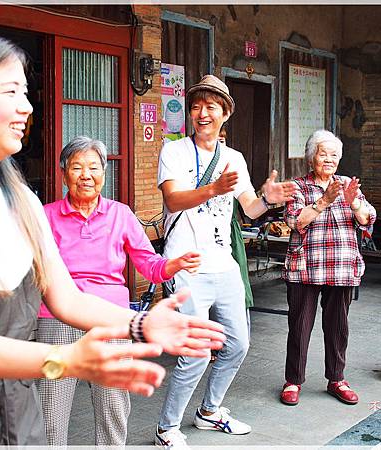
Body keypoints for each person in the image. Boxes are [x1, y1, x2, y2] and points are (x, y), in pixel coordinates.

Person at [0, 29, 225, 446]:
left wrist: (141, 323)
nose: (26, 107)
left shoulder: (22, 201)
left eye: (26, 92)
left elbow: (66, 298)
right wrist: (62, 360)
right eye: (10, 91)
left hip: (18, 404)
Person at [154, 74, 295, 448]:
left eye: (211, 107)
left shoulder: (234, 158)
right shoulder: (174, 151)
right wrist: (213, 189)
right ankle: (168, 428)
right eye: (196, 105)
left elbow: (248, 208)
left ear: (225, 114)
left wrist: (268, 199)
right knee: (198, 352)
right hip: (186, 265)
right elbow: (172, 201)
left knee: (237, 344)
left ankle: (209, 411)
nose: (202, 113)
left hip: (224, 264)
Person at [36, 136, 201, 446]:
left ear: (104, 173)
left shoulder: (120, 214)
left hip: (111, 318)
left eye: (94, 167)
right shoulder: (45, 216)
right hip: (58, 316)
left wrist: (173, 264)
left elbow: (148, 264)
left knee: (113, 404)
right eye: (76, 167)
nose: (86, 175)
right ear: (63, 173)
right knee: (50, 406)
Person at [280, 129, 376, 407]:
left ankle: (337, 379)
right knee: (299, 327)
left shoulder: (346, 184)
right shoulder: (297, 186)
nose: (329, 159)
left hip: (342, 267)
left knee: (338, 328)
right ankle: (293, 381)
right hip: (305, 268)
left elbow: (367, 217)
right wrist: (324, 201)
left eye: (334, 155)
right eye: (324, 154)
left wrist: (353, 201)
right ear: (312, 158)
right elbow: (296, 221)